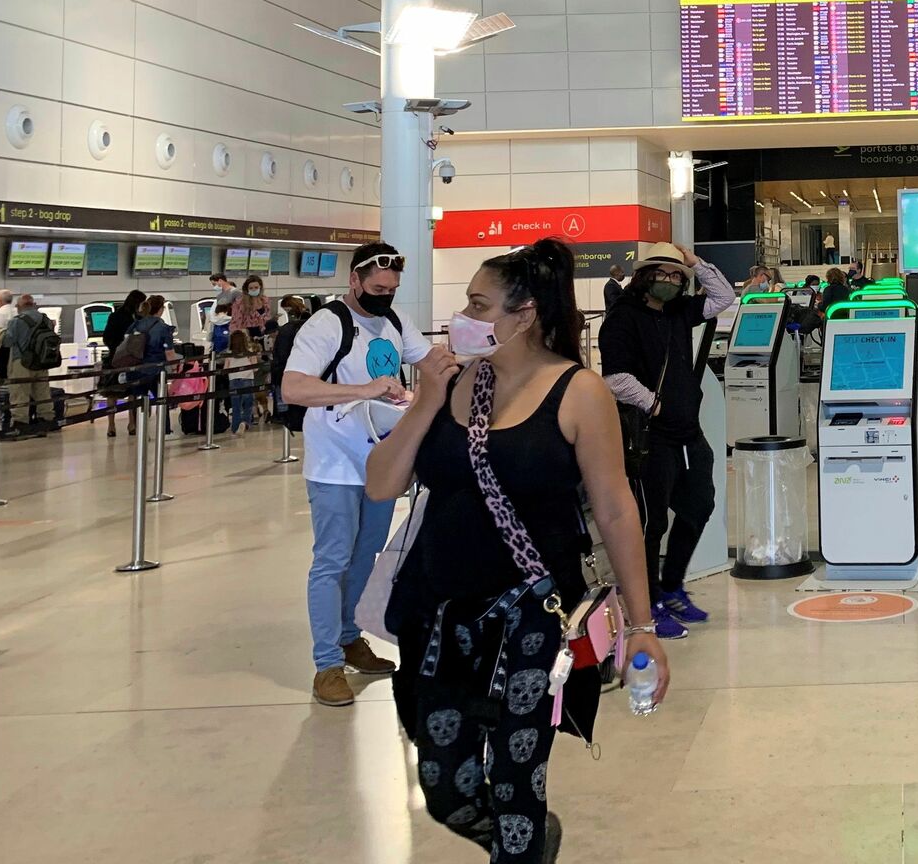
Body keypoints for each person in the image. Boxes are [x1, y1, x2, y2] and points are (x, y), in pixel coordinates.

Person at [369, 237, 668, 863]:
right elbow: (381, 485)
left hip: (532, 616)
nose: (463, 318)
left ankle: (524, 847)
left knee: (515, 785)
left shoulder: (578, 391)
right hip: (440, 612)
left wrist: (642, 626)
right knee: (445, 788)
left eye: (479, 306)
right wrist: (425, 401)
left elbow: (616, 509)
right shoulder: (454, 383)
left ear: (524, 314)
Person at [278, 241, 430, 707]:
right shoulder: (327, 324)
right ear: (354, 280)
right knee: (333, 560)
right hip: (334, 465)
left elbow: (432, 362)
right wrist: (364, 390)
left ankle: (349, 637)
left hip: (380, 463)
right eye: (378, 289)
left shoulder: (395, 322)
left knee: (366, 556)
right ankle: (326, 663)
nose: (385, 296)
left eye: (392, 289)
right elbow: (293, 387)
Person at [598, 241, 733, 640]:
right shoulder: (622, 317)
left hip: (689, 433)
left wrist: (694, 262)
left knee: (698, 506)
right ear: (644, 276)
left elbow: (723, 297)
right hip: (650, 438)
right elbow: (615, 377)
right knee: (650, 523)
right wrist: (654, 405)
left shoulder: (678, 311)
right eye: (663, 273)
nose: (670, 281)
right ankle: (648, 602)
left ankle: (672, 586)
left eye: (677, 276)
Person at [4, 295, 58, 436]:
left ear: (19, 307)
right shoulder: (46, 319)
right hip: (42, 361)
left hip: (22, 362)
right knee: (43, 393)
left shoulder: (16, 321)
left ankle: (20, 425)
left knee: (20, 393)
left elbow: (8, 342)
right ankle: (45, 423)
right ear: (34, 304)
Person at [101, 289, 145, 437]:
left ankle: (127, 424)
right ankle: (115, 425)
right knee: (116, 392)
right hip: (121, 358)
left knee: (126, 391)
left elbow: (106, 338)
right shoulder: (121, 316)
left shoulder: (135, 317)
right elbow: (107, 337)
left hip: (127, 357)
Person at [224, 330, 261, 433]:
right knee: (248, 404)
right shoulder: (250, 352)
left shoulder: (229, 354)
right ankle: (245, 423)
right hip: (247, 379)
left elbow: (225, 368)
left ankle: (235, 427)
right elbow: (255, 368)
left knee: (236, 406)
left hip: (233, 380)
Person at [209, 273, 240, 354]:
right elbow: (213, 318)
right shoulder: (219, 299)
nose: (214, 287)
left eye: (214, 284)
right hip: (220, 330)